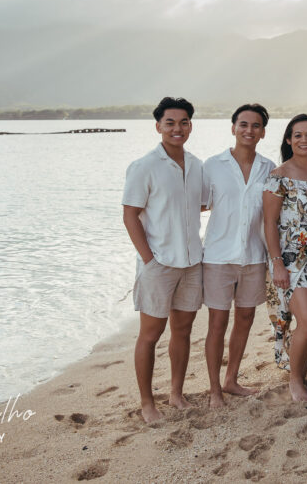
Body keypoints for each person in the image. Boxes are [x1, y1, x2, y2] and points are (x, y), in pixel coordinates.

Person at [122, 96, 207, 423]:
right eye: (170, 122)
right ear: (158, 126)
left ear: (190, 126)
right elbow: (130, 216)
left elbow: (199, 205)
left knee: (182, 331)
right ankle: (147, 403)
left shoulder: (197, 165)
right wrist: (149, 259)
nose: (177, 128)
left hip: (191, 263)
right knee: (150, 334)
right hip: (158, 264)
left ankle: (175, 393)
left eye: (183, 122)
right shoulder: (144, 166)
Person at [202, 103, 275, 409]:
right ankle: (214, 388)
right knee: (217, 323)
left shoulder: (269, 168)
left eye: (255, 125)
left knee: (245, 318)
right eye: (243, 124)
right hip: (218, 256)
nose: (249, 130)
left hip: (254, 256)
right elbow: (198, 205)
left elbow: (273, 215)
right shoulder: (212, 165)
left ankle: (231, 380)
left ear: (263, 132)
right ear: (233, 128)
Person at [262, 114, 307, 402]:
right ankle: (294, 382)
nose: (304, 140)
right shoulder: (278, 175)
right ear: (288, 140)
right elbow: (268, 223)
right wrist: (277, 262)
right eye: (298, 135)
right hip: (290, 257)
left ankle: (302, 374)